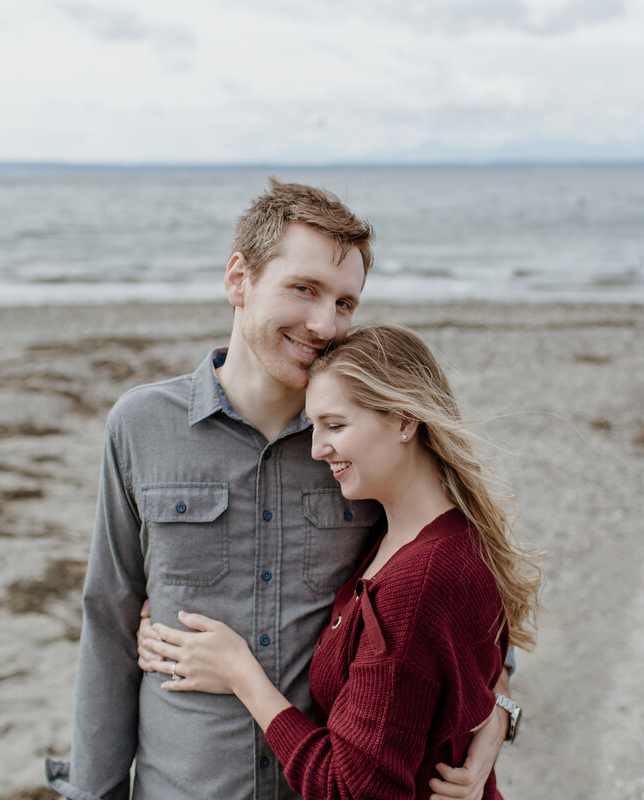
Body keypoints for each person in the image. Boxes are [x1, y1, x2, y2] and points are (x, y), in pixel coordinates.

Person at [47, 180, 512, 800]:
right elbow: (108, 621)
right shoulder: (140, 425)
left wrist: (498, 709)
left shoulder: (361, 445)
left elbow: (456, 576)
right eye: (305, 290)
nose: (326, 324)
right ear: (239, 279)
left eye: (346, 303)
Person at [141, 324, 541, 800]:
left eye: (335, 425)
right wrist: (499, 705)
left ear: (404, 420)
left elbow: (347, 788)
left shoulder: (420, 581)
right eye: (315, 427)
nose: (316, 449)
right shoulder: (414, 538)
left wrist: (240, 673)